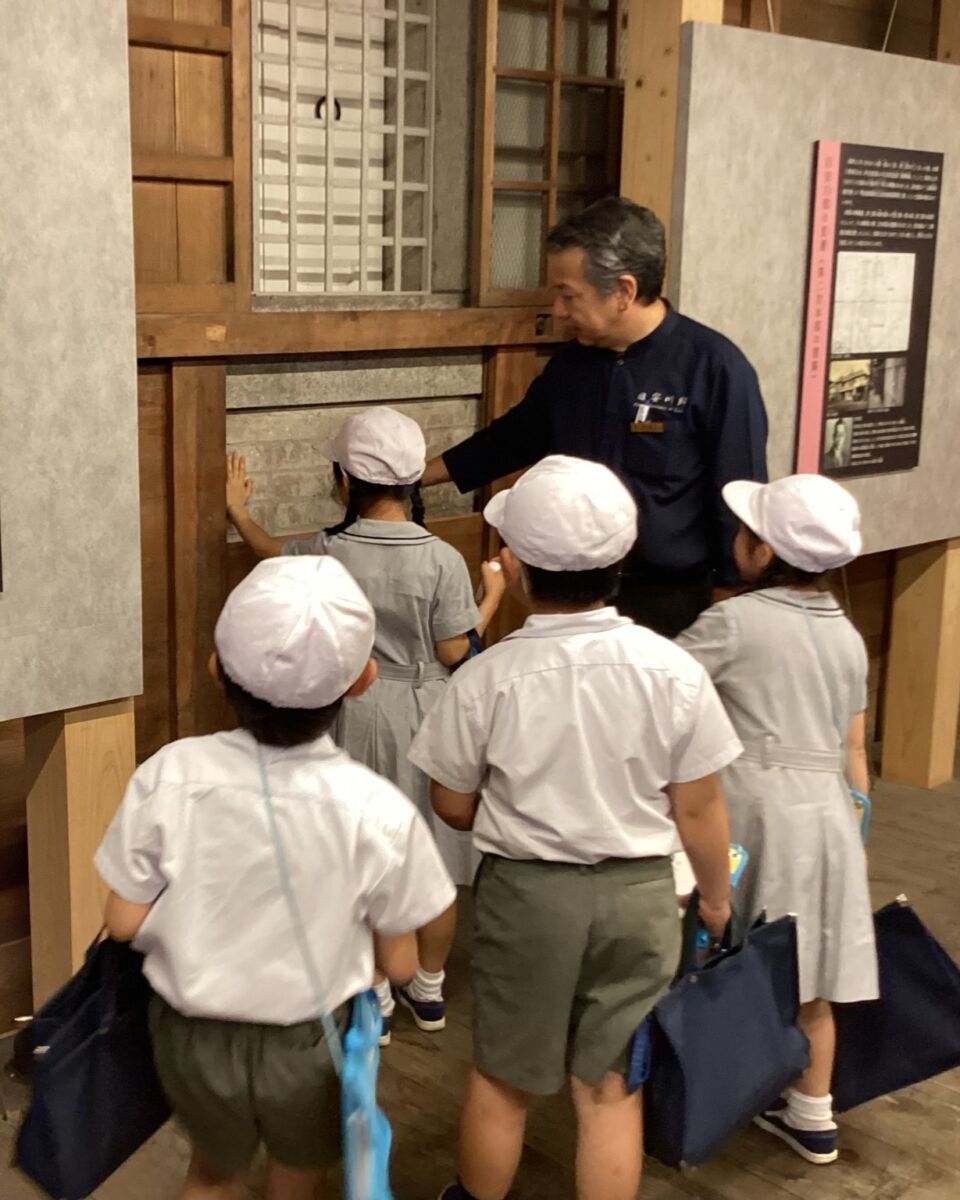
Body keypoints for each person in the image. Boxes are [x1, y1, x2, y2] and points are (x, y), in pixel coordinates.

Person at [408, 455, 742, 1200]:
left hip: (526, 897)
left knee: (503, 1077)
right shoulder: (671, 668)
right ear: (622, 560)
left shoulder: (487, 676)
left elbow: (451, 803)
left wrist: (510, 808)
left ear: (518, 568)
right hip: (641, 896)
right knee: (612, 1086)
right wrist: (716, 900)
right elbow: (699, 807)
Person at [94, 556, 456, 1200]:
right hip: (311, 1040)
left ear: (216, 667)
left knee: (211, 1173)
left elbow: (122, 921)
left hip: (193, 1035)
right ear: (363, 680)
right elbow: (402, 964)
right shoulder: (378, 810)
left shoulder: (170, 773)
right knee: (299, 1172)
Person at [226, 406, 505, 1039]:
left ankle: (374, 992)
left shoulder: (327, 551)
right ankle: (428, 989)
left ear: (346, 481)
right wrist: (490, 598)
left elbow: (273, 555)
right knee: (431, 857)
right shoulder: (441, 558)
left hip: (351, 708)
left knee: (358, 852)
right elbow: (454, 652)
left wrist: (239, 511)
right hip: (425, 712)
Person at [420, 197, 769, 637]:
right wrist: (414, 476)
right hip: (573, 599)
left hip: (673, 602)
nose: (558, 310)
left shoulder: (715, 367)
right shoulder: (571, 365)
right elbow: (513, 438)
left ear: (623, 291)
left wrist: (729, 602)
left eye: (568, 295)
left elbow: (738, 494)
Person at [676, 473, 878, 1165]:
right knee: (815, 964)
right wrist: (857, 830)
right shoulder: (847, 634)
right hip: (831, 812)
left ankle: (714, 1083)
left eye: (747, 530)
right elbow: (855, 748)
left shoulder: (733, 622)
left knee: (727, 951)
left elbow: (665, 685)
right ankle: (813, 1113)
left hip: (752, 808)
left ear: (763, 551)